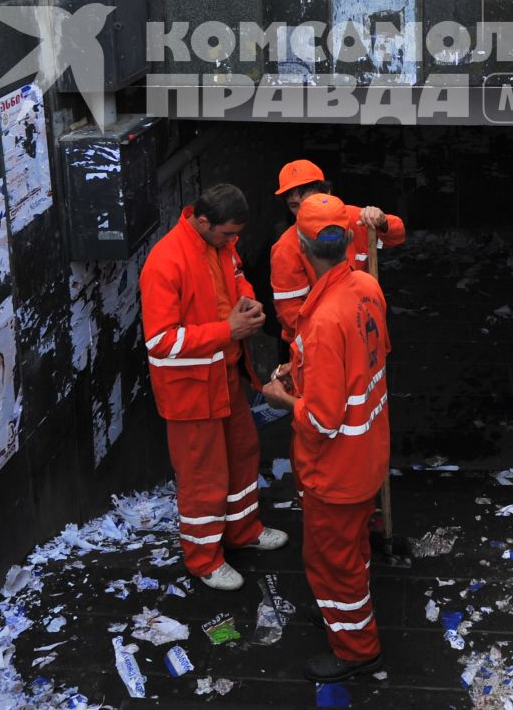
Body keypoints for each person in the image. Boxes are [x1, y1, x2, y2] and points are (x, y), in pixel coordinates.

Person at [258, 194, 390, 684]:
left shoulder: (323, 319)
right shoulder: (367, 287)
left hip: (335, 467)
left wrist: (282, 398)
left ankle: (357, 647)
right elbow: (368, 362)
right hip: (367, 454)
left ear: (304, 246)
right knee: (351, 552)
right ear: (349, 239)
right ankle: (343, 618)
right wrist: (303, 369)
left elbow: (323, 419)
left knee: (330, 562)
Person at [139, 184, 287, 589]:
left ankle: (243, 531)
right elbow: (160, 342)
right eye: (227, 235)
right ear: (202, 222)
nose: (232, 242)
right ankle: (204, 559)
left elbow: (236, 277)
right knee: (203, 476)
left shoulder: (220, 244)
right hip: (189, 391)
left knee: (242, 454)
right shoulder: (165, 263)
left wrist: (248, 301)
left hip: (223, 376)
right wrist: (228, 330)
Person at [268, 159, 404, 340]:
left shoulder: (356, 219)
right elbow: (290, 313)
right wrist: (326, 341)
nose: (303, 212)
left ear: (328, 194)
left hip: (365, 329)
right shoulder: (285, 247)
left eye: (310, 202)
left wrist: (382, 221)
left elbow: (397, 235)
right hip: (320, 339)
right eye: (294, 205)